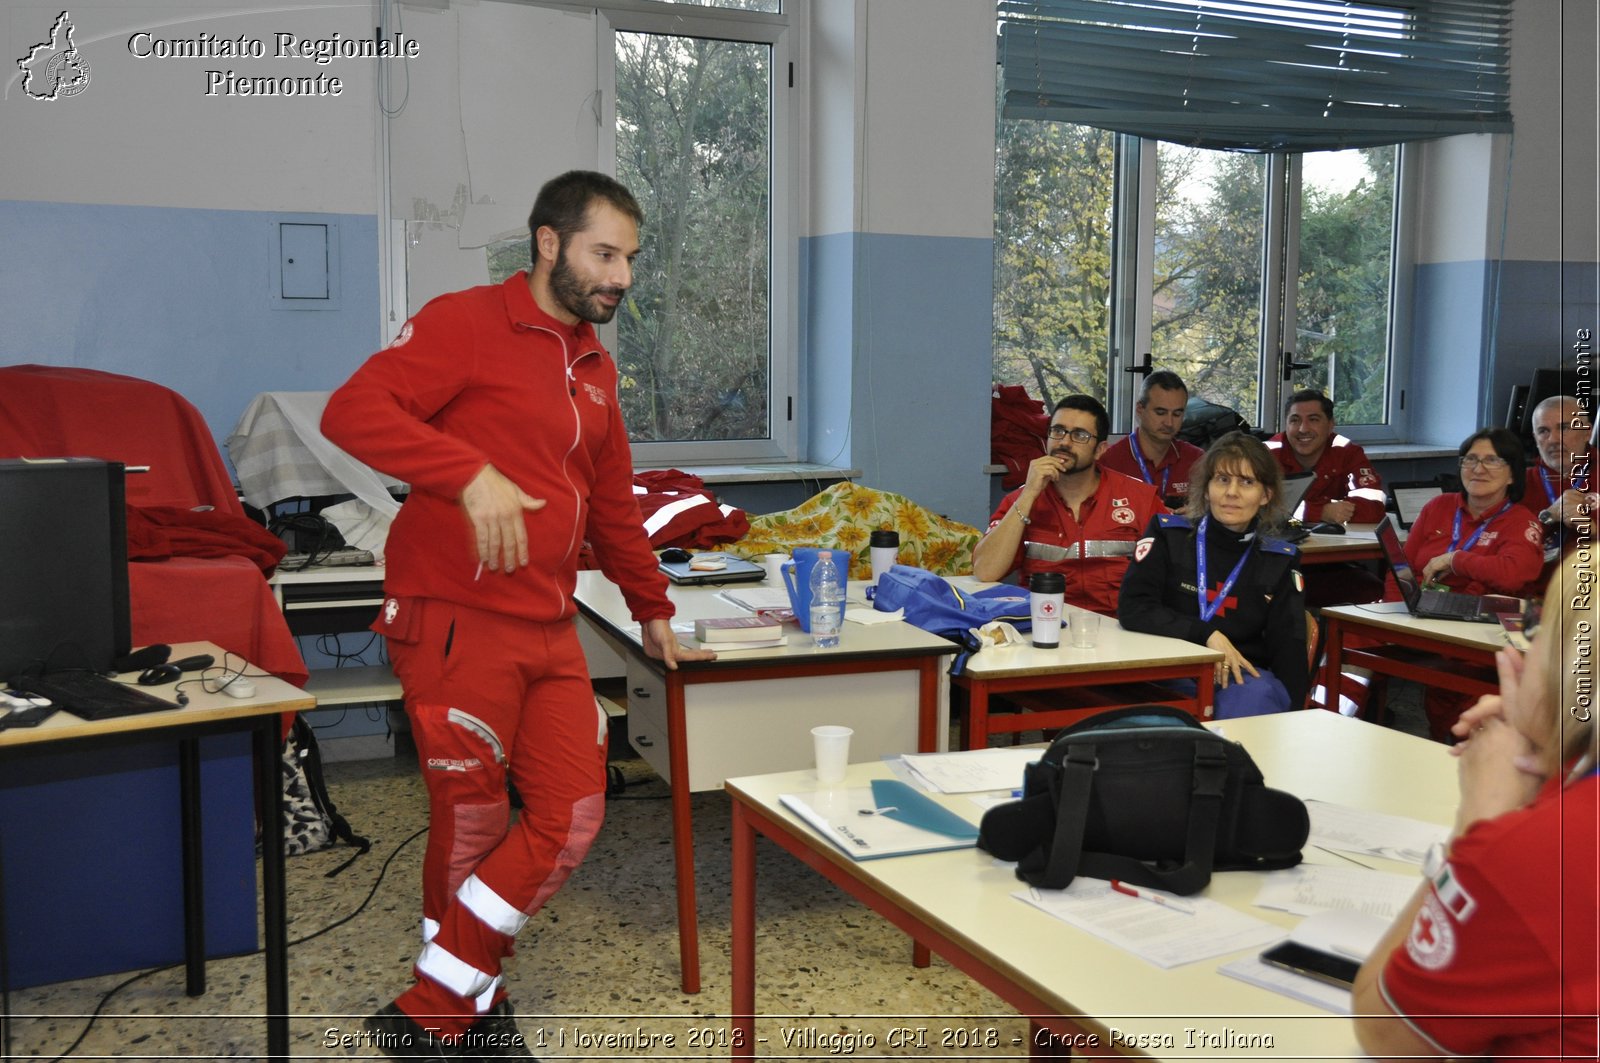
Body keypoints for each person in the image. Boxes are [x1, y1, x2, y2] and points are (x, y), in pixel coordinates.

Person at [321, 170, 714, 1057]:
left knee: (573, 813)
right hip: (455, 612)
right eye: (603, 254)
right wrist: (463, 472)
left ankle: (438, 1003)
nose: (620, 276)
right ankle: (466, 1012)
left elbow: (611, 502)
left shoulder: (595, 364)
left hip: (547, 618)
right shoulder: (468, 322)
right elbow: (353, 411)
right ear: (549, 243)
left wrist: (651, 607)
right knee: (472, 818)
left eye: (630, 259)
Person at [1353, 550, 1598, 1061]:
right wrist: (1555, 742)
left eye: (1534, 634)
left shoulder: (1535, 853)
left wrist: (1477, 828)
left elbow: (1387, 1036)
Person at [1118, 431, 1308, 718]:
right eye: (1222, 480)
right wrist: (1206, 634)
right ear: (1206, 489)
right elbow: (1133, 608)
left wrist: (1294, 723)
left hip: (1239, 679)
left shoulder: (1279, 561)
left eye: (1247, 482)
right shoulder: (1169, 536)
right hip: (1169, 669)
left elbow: (1289, 653)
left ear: (1266, 495)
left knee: (1257, 697)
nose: (1232, 492)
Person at [1403, 427, 1544, 742]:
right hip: (1432, 622)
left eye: (1492, 460)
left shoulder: (1522, 520)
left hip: (1490, 634)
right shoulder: (1439, 507)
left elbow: (1515, 574)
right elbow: (1404, 568)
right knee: (1353, 635)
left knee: (1458, 709)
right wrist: (1399, 609)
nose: (1478, 469)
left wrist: (1456, 559)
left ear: (1512, 474)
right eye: (1470, 459)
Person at [972, 395, 1165, 615]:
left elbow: (1177, 573)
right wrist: (1028, 495)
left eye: (1080, 435)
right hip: (1044, 623)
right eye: (1058, 431)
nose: (1064, 442)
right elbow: (985, 570)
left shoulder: (1140, 498)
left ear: (1101, 449)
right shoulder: (1021, 499)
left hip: (1122, 628)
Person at [1265, 389, 1387, 525]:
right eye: (1295, 420)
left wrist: (1295, 510)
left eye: (1313, 420)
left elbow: (1374, 507)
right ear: (1285, 425)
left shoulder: (1347, 452)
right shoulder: (1266, 454)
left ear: (1330, 425)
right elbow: (1256, 509)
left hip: (1336, 543)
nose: (1303, 429)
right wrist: (1320, 512)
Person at [1098, 370, 1204, 508]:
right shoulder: (1109, 462)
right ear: (1140, 409)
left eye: (1177, 414)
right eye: (1160, 413)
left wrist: (1196, 515)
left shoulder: (1197, 461)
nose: (1169, 422)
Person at [1523, 394, 1597, 580]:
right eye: (1543, 431)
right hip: (1531, 594)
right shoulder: (1517, 482)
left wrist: (1593, 529)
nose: (1553, 439)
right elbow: (1499, 545)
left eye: (1563, 428)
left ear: (1587, 432)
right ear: (1535, 438)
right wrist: (1548, 516)